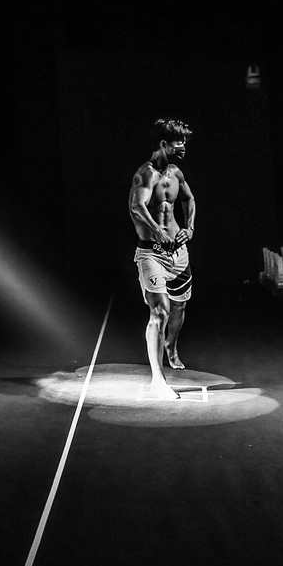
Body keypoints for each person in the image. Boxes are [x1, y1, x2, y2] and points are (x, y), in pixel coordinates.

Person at [127, 118, 196, 401]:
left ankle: (171, 347)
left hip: (178, 254)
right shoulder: (145, 174)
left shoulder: (176, 172)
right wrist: (157, 231)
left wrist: (189, 228)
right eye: (179, 143)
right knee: (160, 312)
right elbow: (136, 207)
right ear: (164, 144)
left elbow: (189, 199)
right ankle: (158, 380)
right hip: (151, 254)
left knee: (179, 306)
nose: (183, 147)